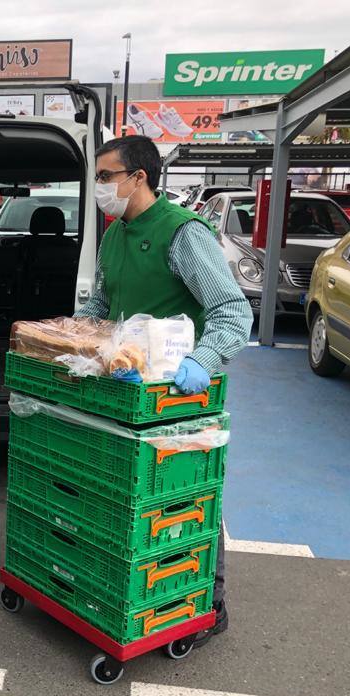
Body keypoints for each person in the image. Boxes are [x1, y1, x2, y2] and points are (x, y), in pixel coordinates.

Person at [77, 135, 253, 646]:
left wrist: (204, 359)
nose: (99, 186)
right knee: (132, 491)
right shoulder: (115, 235)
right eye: (98, 176)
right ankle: (126, 591)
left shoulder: (182, 234)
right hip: (128, 387)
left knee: (184, 491)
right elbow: (102, 310)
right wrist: (75, 342)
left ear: (139, 178)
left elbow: (232, 311)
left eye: (106, 176)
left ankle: (208, 604)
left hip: (179, 392)